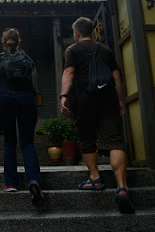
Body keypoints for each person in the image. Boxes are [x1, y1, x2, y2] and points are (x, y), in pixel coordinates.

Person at [60, 17, 135, 214]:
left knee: (86, 137)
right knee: (114, 140)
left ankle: (95, 178)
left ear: (77, 33)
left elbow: (69, 72)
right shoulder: (106, 49)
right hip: (108, 96)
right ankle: (122, 187)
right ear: (92, 31)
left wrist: (64, 95)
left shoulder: (73, 50)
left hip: (85, 97)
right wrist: (119, 100)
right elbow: (116, 76)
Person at [0, 28, 46, 207]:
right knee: (27, 142)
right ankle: (33, 180)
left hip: (4, 99)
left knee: (10, 141)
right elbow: (34, 86)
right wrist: (35, 110)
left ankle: (11, 183)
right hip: (26, 100)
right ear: (19, 42)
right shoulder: (28, 60)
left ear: (3, 43)